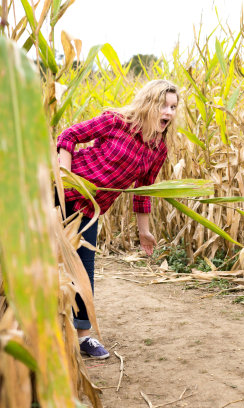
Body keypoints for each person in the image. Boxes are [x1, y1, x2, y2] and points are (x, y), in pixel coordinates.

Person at [57, 79, 179, 359]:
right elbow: (68, 136)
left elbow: (143, 191)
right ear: (149, 103)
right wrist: (65, 180)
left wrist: (144, 232)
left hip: (89, 211)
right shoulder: (116, 122)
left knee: (83, 273)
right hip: (57, 195)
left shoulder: (157, 149)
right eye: (163, 105)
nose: (169, 112)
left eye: (173, 107)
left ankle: (84, 337)